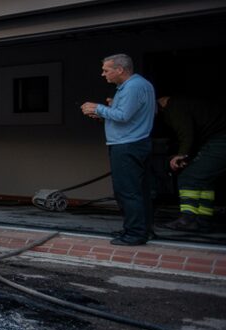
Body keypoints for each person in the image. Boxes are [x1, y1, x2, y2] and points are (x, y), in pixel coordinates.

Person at [81, 54, 156, 246]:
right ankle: (141, 229)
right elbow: (132, 113)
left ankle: (135, 234)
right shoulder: (141, 85)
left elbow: (123, 116)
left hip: (127, 144)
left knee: (127, 191)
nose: (103, 74)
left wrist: (97, 108)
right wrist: (109, 109)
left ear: (120, 70)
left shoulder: (133, 86)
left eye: (106, 70)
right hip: (137, 142)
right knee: (139, 190)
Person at [157, 96, 226, 232]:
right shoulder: (186, 104)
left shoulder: (174, 107)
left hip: (221, 140)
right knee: (204, 180)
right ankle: (203, 219)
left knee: (189, 177)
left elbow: (186, 133)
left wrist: (182, 155)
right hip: (216, 139)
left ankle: (188, 219)